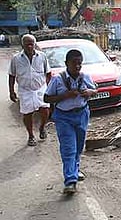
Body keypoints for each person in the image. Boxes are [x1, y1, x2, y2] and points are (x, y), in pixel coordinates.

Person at [44, 49, 97, 194]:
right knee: (69, 148)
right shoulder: (58, 79)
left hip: (82, 114)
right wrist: (65, 95)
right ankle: (70, 181)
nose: (77, 66)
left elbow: (95, 89)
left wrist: (89, 92)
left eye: (80, 63)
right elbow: (46, 98)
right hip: (64, 117)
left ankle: (75, 170)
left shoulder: (84, 76)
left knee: (79, 146)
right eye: (74, 63)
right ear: (66, 63)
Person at [8, 34, 51, 146]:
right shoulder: (16, 59)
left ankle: (42, 128)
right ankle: (31, 135)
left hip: (41, 87)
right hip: (25, 89)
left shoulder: (42, 56)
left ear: (34, 44)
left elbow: (48, 73)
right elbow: (12, 75)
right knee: (27, 113)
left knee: (45, 109)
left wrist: (48, 87)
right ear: (23, 45)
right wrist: (11, 91)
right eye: (27, 44)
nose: (29, 46)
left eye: (31, 44)